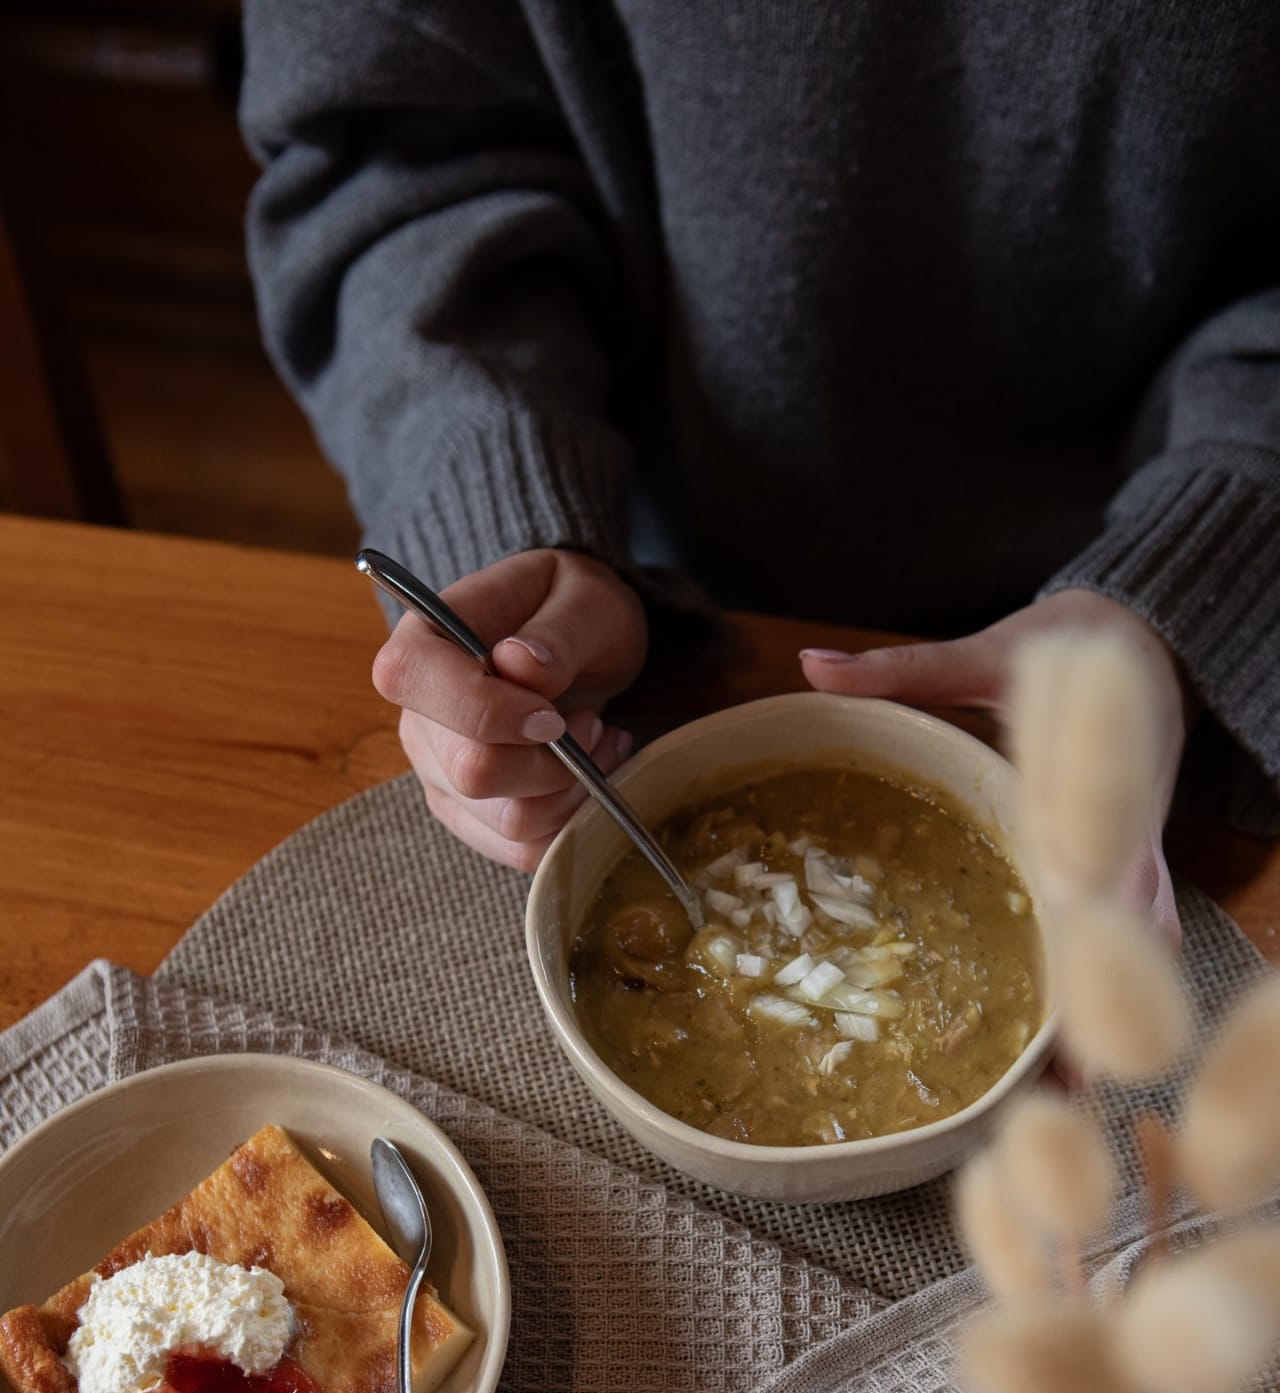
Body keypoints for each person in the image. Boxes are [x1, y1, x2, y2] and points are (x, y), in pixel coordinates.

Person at [239, 2, 1279, 920]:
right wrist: (508, 516)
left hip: (1199, 671)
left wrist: (1203, 584)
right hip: (633, 641)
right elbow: (397, 158)